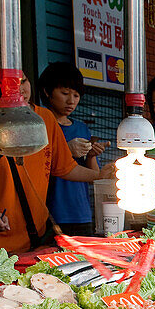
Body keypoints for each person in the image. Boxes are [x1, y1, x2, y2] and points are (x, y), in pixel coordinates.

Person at [0, 72, 113, 253]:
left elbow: (65, 168)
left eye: (23, 81)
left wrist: (100, 176)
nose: (20, 89)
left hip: (36, 237)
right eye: (10, 85)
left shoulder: (45, 118)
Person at [37, 62, 109, 236]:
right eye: (65, 93)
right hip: (51, 212)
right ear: (47, 92)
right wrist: (66, 150)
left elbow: (93, 174)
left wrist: (91, 155)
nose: (71, 101)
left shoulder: (81, 128)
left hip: (81, 212)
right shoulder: (39, 125)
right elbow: (37, 165)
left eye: (76, 95)